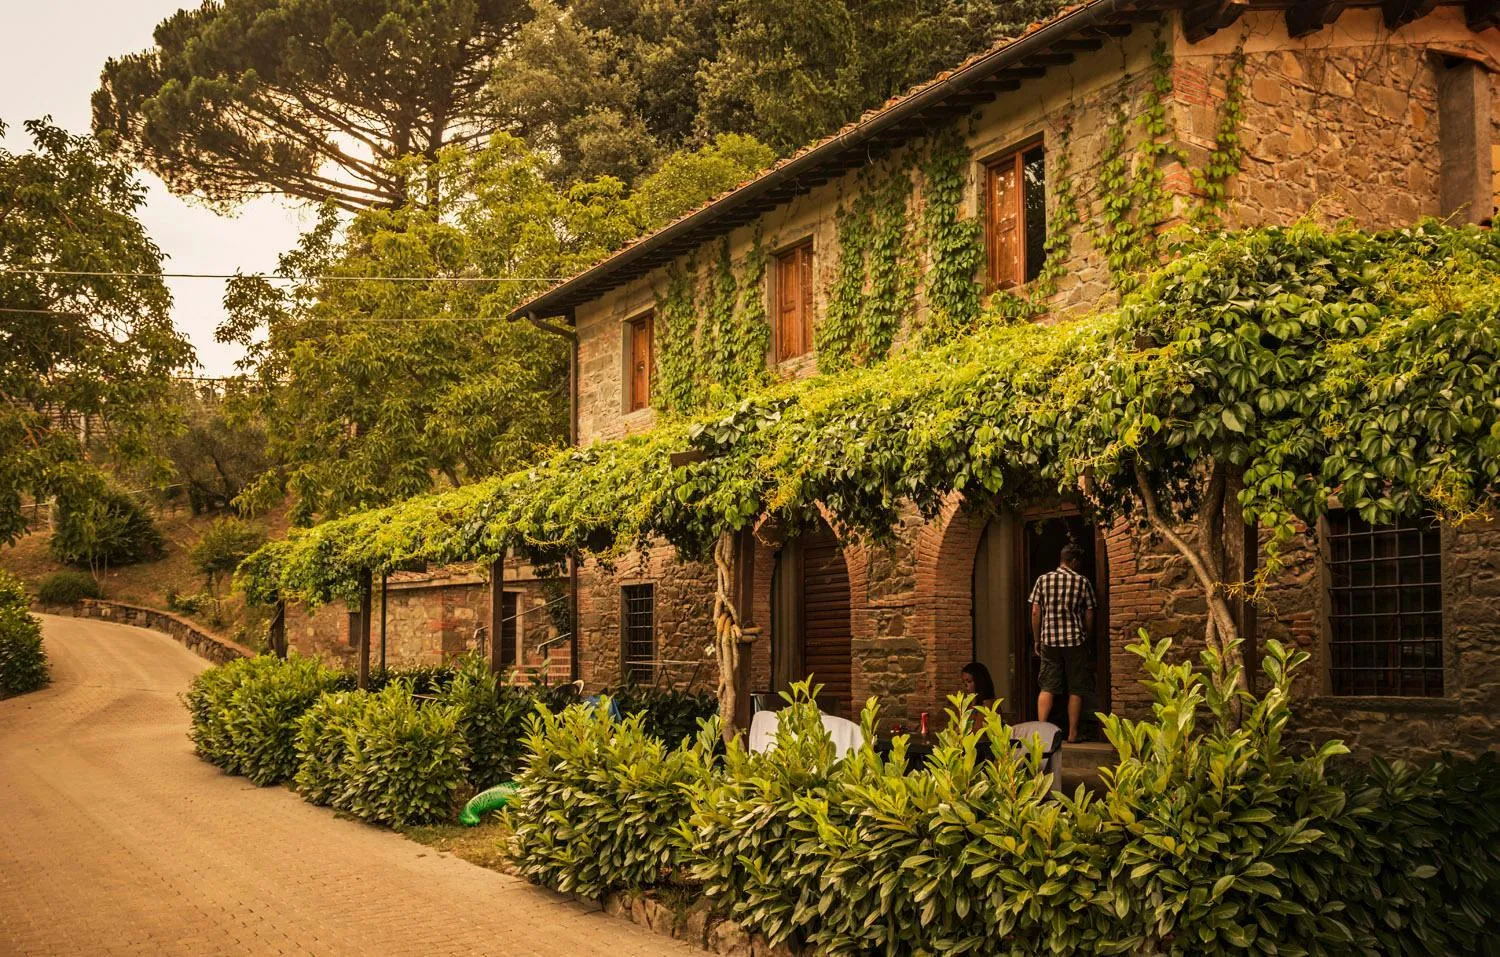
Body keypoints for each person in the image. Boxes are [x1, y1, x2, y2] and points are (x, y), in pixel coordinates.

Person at [1029, 542, 1096, 744]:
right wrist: (1087, 636)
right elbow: (1090, 612)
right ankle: (1073, 734)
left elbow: (1035, 611)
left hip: (1049, 639)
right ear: (1074, 561)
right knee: (1076, 688)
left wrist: (1037, 638)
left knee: (1047, 686)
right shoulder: (1082, 581)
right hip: (1075, 640)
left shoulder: (1043, 579)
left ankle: (1041, 734)